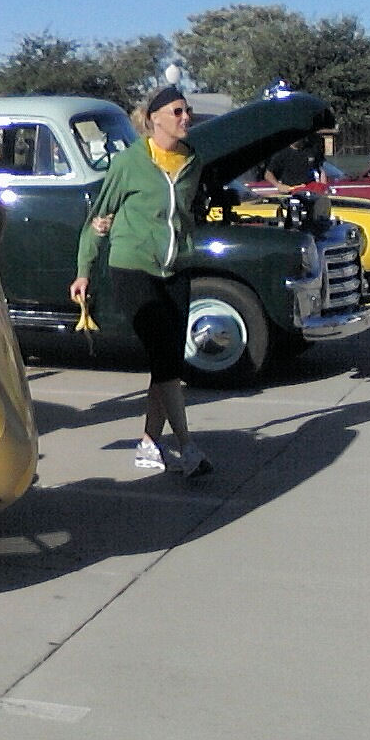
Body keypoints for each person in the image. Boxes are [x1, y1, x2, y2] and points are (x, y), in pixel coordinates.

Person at [68, 86, 211, 477]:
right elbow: (100, 217)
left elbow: (184, 214)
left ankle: (149, 443)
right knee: (165, 359)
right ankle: (187, 446)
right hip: (132, 268)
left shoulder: (192, 160)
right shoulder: (129, 163)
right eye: (178, 111)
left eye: (188, 111)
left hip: (175, 269)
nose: (186, 117)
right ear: (155, 118)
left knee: (167, 362)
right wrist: (84, 270)